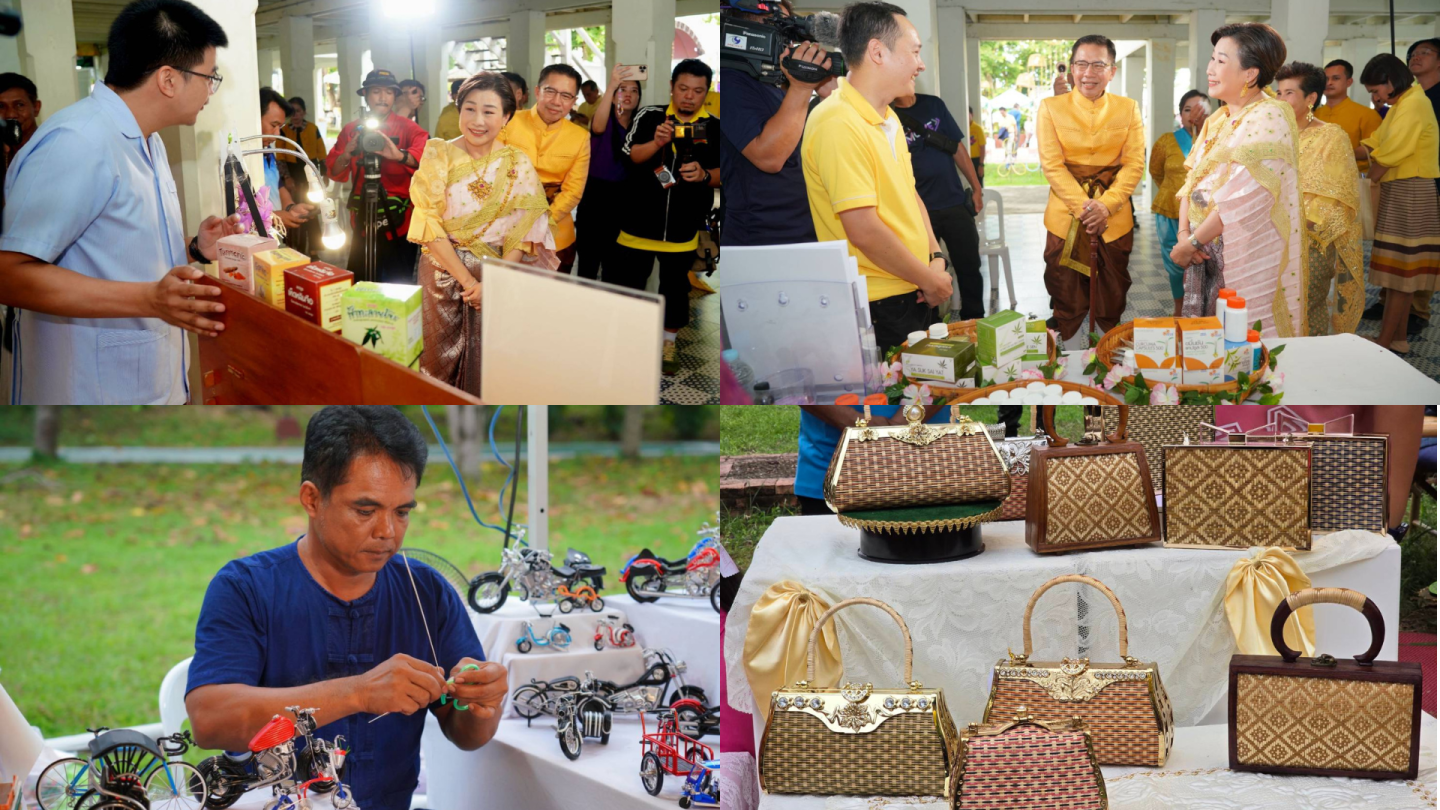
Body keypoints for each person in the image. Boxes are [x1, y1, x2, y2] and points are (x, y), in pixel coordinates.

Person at [185, 406, 507, 810]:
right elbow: (210, 720)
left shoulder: (426, 592)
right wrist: (357, 693)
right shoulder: (246, 588)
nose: (387, 532)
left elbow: (468, 735)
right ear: (312, 499)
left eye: (403, 512)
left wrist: (482, 705)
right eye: (366, 510)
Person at [0, 0, 241, 405]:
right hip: (88, 399)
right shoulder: (78, 142)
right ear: (168, 79)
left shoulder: (149, 140)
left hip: (151, 388)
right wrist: (148, 300)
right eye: (208, 76)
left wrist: (194, 249)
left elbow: (113, 252)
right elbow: (9, 273)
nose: (210, 91)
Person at [801, 1, 950, 352]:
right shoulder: (837, 122)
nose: (921, 64)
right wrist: (928, 278)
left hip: (913, 283)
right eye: (914, 51)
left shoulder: (886, 116)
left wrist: (934, 257)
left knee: (931, 396)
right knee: (895, 403)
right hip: (880, 300)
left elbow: (909, 195)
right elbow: (863, 229)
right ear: (877, 52)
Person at [408, 72, 557, 396]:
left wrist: (495, 281)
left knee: (493, 362)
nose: (478, 120)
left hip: (499, 272)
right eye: (470, 109)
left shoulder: (517, 161)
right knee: (437, 362)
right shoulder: (438, 153)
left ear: (506, 116)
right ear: (458, 110)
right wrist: (472, 283)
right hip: (442, 272)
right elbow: (428, 224)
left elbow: (525, 229)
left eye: (489, 112)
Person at [1173, 23, 1303, 339]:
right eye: (1212, 59)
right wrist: (1184, 234)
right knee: (1207, 343)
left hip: (1243, 252)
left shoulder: (1269, 116)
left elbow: (1244, 197)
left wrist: (1191, 243)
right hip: (1204, 246)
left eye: (1220, 60)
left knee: (1242, 344)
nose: (1210, 68)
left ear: (1249, 74)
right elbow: (1192, 180)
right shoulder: (1219, 119)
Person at [1036, 34, 1145, 345]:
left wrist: (1105, 206)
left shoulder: (1129, 108)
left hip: (1114, 218)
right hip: (1063, 216)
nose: (1089, 73)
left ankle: (1108, 356)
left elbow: (1134, 164)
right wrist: (1086, 209)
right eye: (1081, 64)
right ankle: (1067, 355)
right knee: (1064, 291)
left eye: (1099, 65)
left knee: (1112, 294)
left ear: (1112, 71)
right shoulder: (1050, 108)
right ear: (1072, 69)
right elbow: (1052, 166)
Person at [617, 59, 721, 374]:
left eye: (698, 91)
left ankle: (667, 345)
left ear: (707, 92)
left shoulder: (715, 126)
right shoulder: (650, 116)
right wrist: (658, 142)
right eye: (683, 88)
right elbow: (631, 156)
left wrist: (704, 174)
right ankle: (630, 342)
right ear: (672, 87)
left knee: (675, 289)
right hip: (638, 223)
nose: (689, 96)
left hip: (682, 227)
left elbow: (724, 173)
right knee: (631, 285)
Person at [719, 0, 829, 248]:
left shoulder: (775, 86)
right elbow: (769, 157)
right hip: (762, 240)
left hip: (801, 234)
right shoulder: (730, 80)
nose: (789, 43)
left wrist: (822, 88)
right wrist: (802, 86)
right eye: (782, 30)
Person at [1359, 53, 1440, 355]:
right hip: (1402, 190)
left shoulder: (1415, 104)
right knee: (1398, 273)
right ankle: (1398, 338)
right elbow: (1378, 139)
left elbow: (1391, 152)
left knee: (1402, 275)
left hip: (1411, 191)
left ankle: (1385, 342)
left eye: (1376, 90)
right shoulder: (1402, 103)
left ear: (1391, 82)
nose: (1376, 97)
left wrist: (1369, 176)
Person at [1275, 62, 1363, 337]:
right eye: (1278, 93)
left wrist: (1298, 228)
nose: (1280, 100)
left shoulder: (1331, 136)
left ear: (1310, 98)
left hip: (1310, 244)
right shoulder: (1273, 134)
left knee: (1304, 311)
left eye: (1288, 93)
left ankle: (1308, 370)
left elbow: (1338, 196)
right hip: (1270, 239)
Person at [326, 69, 430, 284]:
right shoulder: (351, 129)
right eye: (376, 91)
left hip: (399, 220)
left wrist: (399, 155)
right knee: (361, 280)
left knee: (398, 281)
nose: (383, 98)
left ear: (395, 96)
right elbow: (334, 172)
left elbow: (425, 163)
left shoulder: (410, 128)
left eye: (389, 93)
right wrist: (347, 153)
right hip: (363, 217)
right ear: (365, 94)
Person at [893, 91, 985, 319]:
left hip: (954, 203)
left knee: (970, 268)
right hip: (917, 212)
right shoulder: (886, 114)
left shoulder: (933, 105)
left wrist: (977, 188)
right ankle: (930, 329)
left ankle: (974, 321)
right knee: (923, 276)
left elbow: (957, 148)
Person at [498, 63, 590, 273]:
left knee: (551, 303)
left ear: (574, 101)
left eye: (566, 96)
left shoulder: (580, 137)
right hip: (505, 230)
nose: (556, 102)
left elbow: (573, 191)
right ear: (538, 91)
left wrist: (540, 222)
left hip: (556, 236)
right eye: (550, 91)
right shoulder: (509, 122)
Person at [576, 64, 642, 281]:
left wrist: (669, 183)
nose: (628, 95)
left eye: (634, 91)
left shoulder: (641, 125)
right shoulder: (604, 119)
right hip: (594, 195)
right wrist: (613, 83)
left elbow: (652, 161)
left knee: (614, 267)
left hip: (623, 200)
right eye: (623, 90)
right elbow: (597, 127)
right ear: (613, 96)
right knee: (588, 264)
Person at [1151, 90, 1209, 317]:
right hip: (1169, 213)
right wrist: (1172, 192)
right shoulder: (1166, 140)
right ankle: (1179, 307)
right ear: (1180, 114)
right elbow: (1155, 172)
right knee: (1176, 265)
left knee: (1204, 263)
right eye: (1187, 109)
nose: (1193, 114)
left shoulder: (1217, 139)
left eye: (1200, 109)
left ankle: (1202, 309)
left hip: (1206, 216)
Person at [1403, 37, 1440, 332]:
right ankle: (1393, 300)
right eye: (1413, 53)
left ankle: (1418, 309)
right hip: (1406, 180)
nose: (1416, 57)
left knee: (1425, 249)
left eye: (1424, 53)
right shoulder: (1409, 96)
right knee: (1402, 246)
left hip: (1433, 180)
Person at [259, 88, 316, 234]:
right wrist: (274, 217)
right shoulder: (244, 156)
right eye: (273, 125)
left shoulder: (268, 152)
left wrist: (290, 208)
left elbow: (279, 185)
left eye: (280, 127)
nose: (278, 134)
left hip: (273, 234)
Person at [1315, 59, 1382, 172]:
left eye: (1336, 78)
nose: (1329, 83)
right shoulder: (1314, 114)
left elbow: (1374, 149)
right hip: (1316, 180)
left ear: (1349, 82)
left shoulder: (1367, 114)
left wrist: (1339, 155)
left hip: (1353, 180)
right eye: (1326, 79)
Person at [0, 73, 40, 158]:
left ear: (36, 107)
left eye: (19, 105)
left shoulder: (53, 146)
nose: (11, 115)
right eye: (1, 106)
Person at [967, 106, 985, 185]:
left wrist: (981, 165)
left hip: (976, 160)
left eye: (968, 114)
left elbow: (982, 147)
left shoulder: (977, 129)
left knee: (978, 184)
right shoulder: (961, 128)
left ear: (972, 115)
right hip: (966, 159)